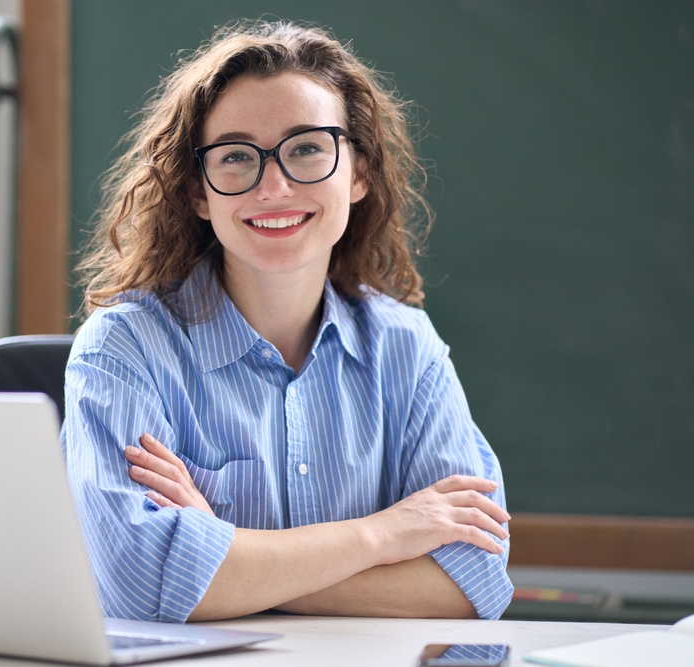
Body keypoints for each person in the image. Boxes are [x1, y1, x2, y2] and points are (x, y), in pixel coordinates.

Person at [61, 20, 513, 624]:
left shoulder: (409, 349)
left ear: (359, 174)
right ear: (200, 192)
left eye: (307, 148)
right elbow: (140, 580)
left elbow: (473, 581)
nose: (273, 185)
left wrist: (225, 552)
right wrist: (382, 536)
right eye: (236, 157)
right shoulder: (123, 349)